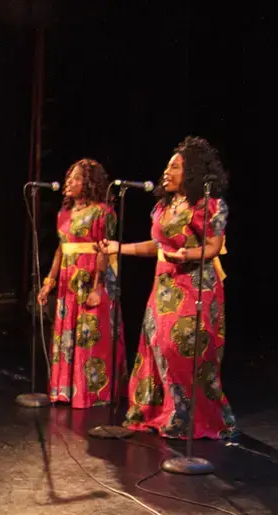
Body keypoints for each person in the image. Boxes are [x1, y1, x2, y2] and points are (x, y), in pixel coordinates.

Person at [101, 136, 237, 438]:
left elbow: (214, 246)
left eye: (175, 166)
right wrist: (117, 247)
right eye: (167, 166)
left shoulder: (208, 204)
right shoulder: (164, 207)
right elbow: (156, 246)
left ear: (192, 172)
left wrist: (187, 254)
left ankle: (196, 417)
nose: (167, 171)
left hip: (196, 285)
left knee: (184, 348)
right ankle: (164, 412)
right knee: (157, 346)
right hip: (164, 285)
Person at [38, 158, 125, 408]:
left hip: (91, 278)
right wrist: (49, 281)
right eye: (69, 177)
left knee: (89, 335)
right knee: (67, 335)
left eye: (76, 178)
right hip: (68, 281)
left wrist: (98, 288)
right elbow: (60, 249)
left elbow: (105, 251)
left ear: (89, 183)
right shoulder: (63, 213)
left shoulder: (103, 212)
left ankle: (91, 393)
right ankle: (65, 389)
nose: (69, 182)